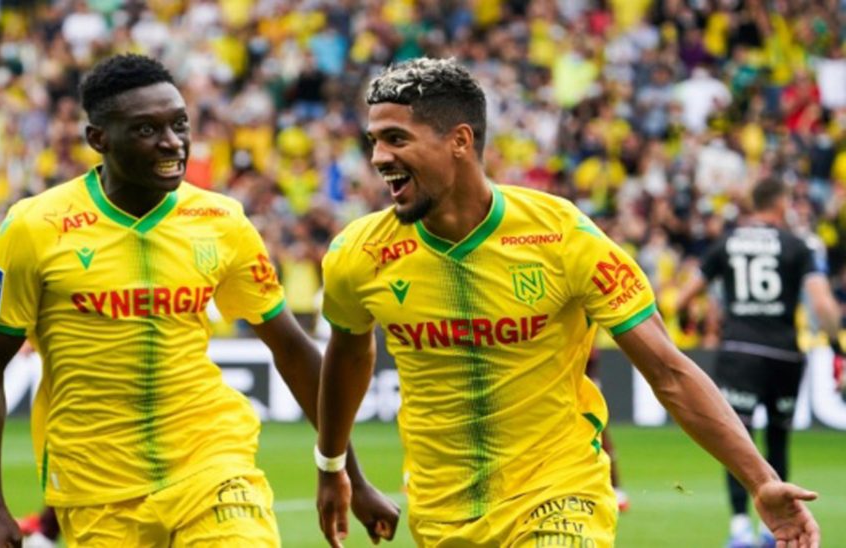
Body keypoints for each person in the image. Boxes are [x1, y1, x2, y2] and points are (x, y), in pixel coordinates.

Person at [313, 57, 820, 548]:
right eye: (374, 141)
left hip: (559, 496)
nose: (378, 157)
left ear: (460, 141)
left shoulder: (562, 236)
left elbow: (668, 370)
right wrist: (332, 466)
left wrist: (760, 480)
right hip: (441, 515)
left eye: (396, 138)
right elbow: (349, 356)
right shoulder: (358, 255)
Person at [0, 53, 398, 548]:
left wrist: (345, 472)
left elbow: (293, 350)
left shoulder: (221, 222)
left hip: (211, 464)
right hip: (95, 487)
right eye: (147, 130)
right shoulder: (35, 228)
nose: (172, 142)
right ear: (99, 139)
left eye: (180, 124)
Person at [676, 178, 844, 548]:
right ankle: (775, 530)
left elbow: (684, 296)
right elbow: (821, 303)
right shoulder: (798, 245)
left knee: (737, 441)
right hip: (784, 355)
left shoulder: (727, 242)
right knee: (778, 440)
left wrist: (689, 319)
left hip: (739, 352)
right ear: (781, 204)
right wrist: (838, 350)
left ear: (753, 203)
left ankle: (739, 528)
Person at [584, 348, 629, 513]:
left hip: (584, 392)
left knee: (602, 437)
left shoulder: (586, 344)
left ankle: (615, 489)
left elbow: (591, 361)